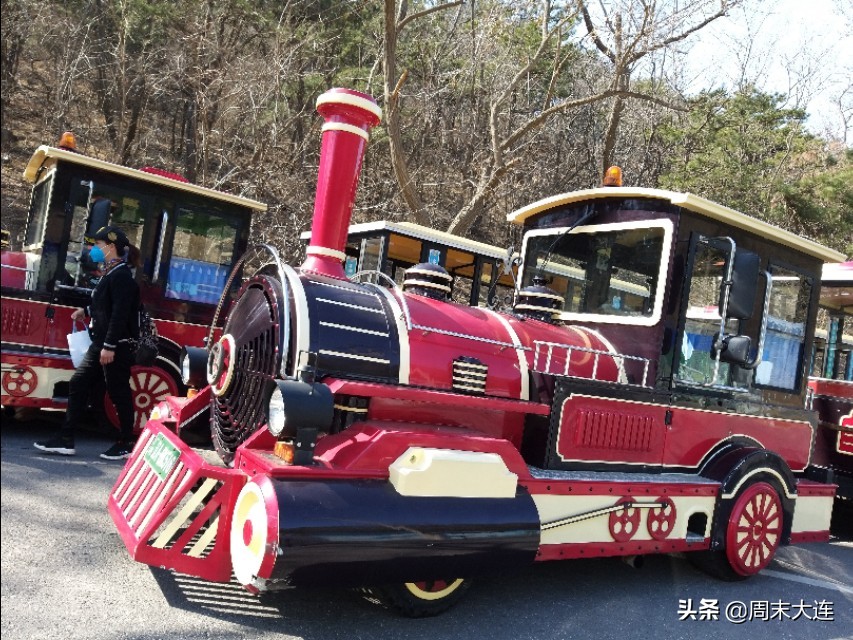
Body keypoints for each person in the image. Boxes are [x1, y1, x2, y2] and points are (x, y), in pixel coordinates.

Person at [34, 225, 140, 460]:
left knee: (118, 392)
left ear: (111, 247)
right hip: (100, 342)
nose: (93, 249)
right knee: (78, 383)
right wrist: (87, 310)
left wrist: (110, 346)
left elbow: (120, 314)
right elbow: (106, 304)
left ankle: (126, 441)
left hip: (115, 345)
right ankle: (65, 438)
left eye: (98, 245)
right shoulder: (111, 272)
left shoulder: (121, 276)